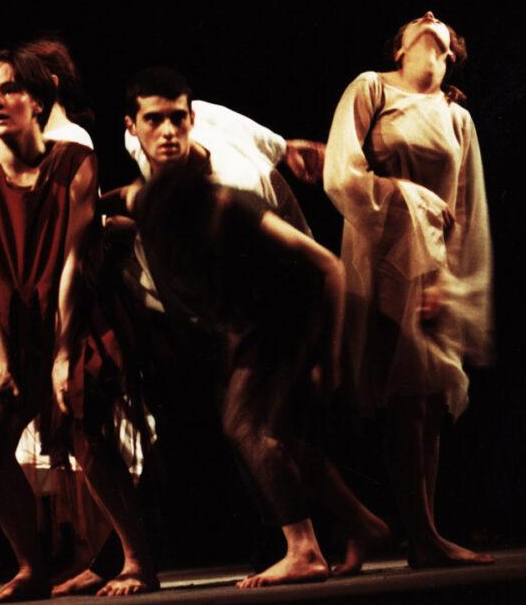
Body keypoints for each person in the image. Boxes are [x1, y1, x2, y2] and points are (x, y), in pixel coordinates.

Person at [107, 67, 390, 588]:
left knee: (246, 427)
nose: (167, 131)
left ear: (191, 121)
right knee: (286, 436)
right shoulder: (146, 194)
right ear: (132, 127)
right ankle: (361, 523)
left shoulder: (227, 195)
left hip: (281, 320)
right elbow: (123, 202)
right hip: (238, 327)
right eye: (154, 120)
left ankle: (304, 550)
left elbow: (326, 266)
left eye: (177, 119)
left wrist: (332, 357)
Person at [0, 49, 157, 602]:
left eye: (9, 89)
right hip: (11, 321)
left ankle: (138, 560)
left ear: (37, 101)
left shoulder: (75, 161)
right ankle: (31, 570)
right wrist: (3, 360)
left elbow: (71, 260)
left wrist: (64, 354)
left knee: (82, 423)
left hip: (71, 309)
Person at [323, 11, 494, 568]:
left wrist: (450, 278)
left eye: (440, 23)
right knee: (405, 402)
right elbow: (340, 173)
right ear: (400, 50)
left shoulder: (457, 118)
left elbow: (464, 206)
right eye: (418, 20)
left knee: (428, 400)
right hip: (383, 256)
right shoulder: (371, 88)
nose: (430, 15)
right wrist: (405, 194)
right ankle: (422, 537)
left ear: (450, 56)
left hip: (434, 267)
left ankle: (426, 534)